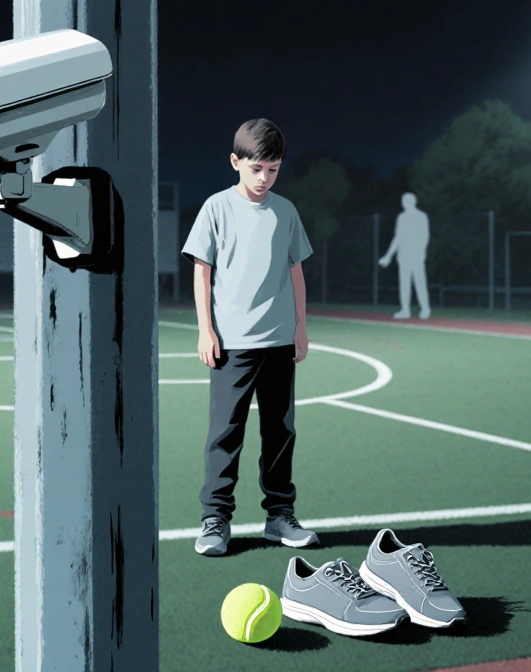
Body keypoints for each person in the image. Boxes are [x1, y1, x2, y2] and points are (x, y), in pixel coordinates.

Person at [181, 118, 320, 557]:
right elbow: (202, 272)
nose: (264, 178)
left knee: (280, 431)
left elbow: (295, 271)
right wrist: (205, 329)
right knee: (226, 433)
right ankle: (215, 519)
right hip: (231, 345)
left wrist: (300, 326)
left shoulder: (286, 211)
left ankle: (279, 516)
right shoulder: (216, 209)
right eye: (257, 168)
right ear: (235, 162)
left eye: (274, 169)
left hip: (279, 341)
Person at [379, 192, 432, 319]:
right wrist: (388, 255)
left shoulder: (421, 216)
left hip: (416, 254)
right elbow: (398, 238)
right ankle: (405, 310)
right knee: (404, 283)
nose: (405, 203)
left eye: (408, 201)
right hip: (404, 255)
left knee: (420, 282)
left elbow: (425, 235)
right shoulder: (401, 217)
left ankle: (425, 308)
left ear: (414, 202)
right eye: (404, 201)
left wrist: (422, 251)